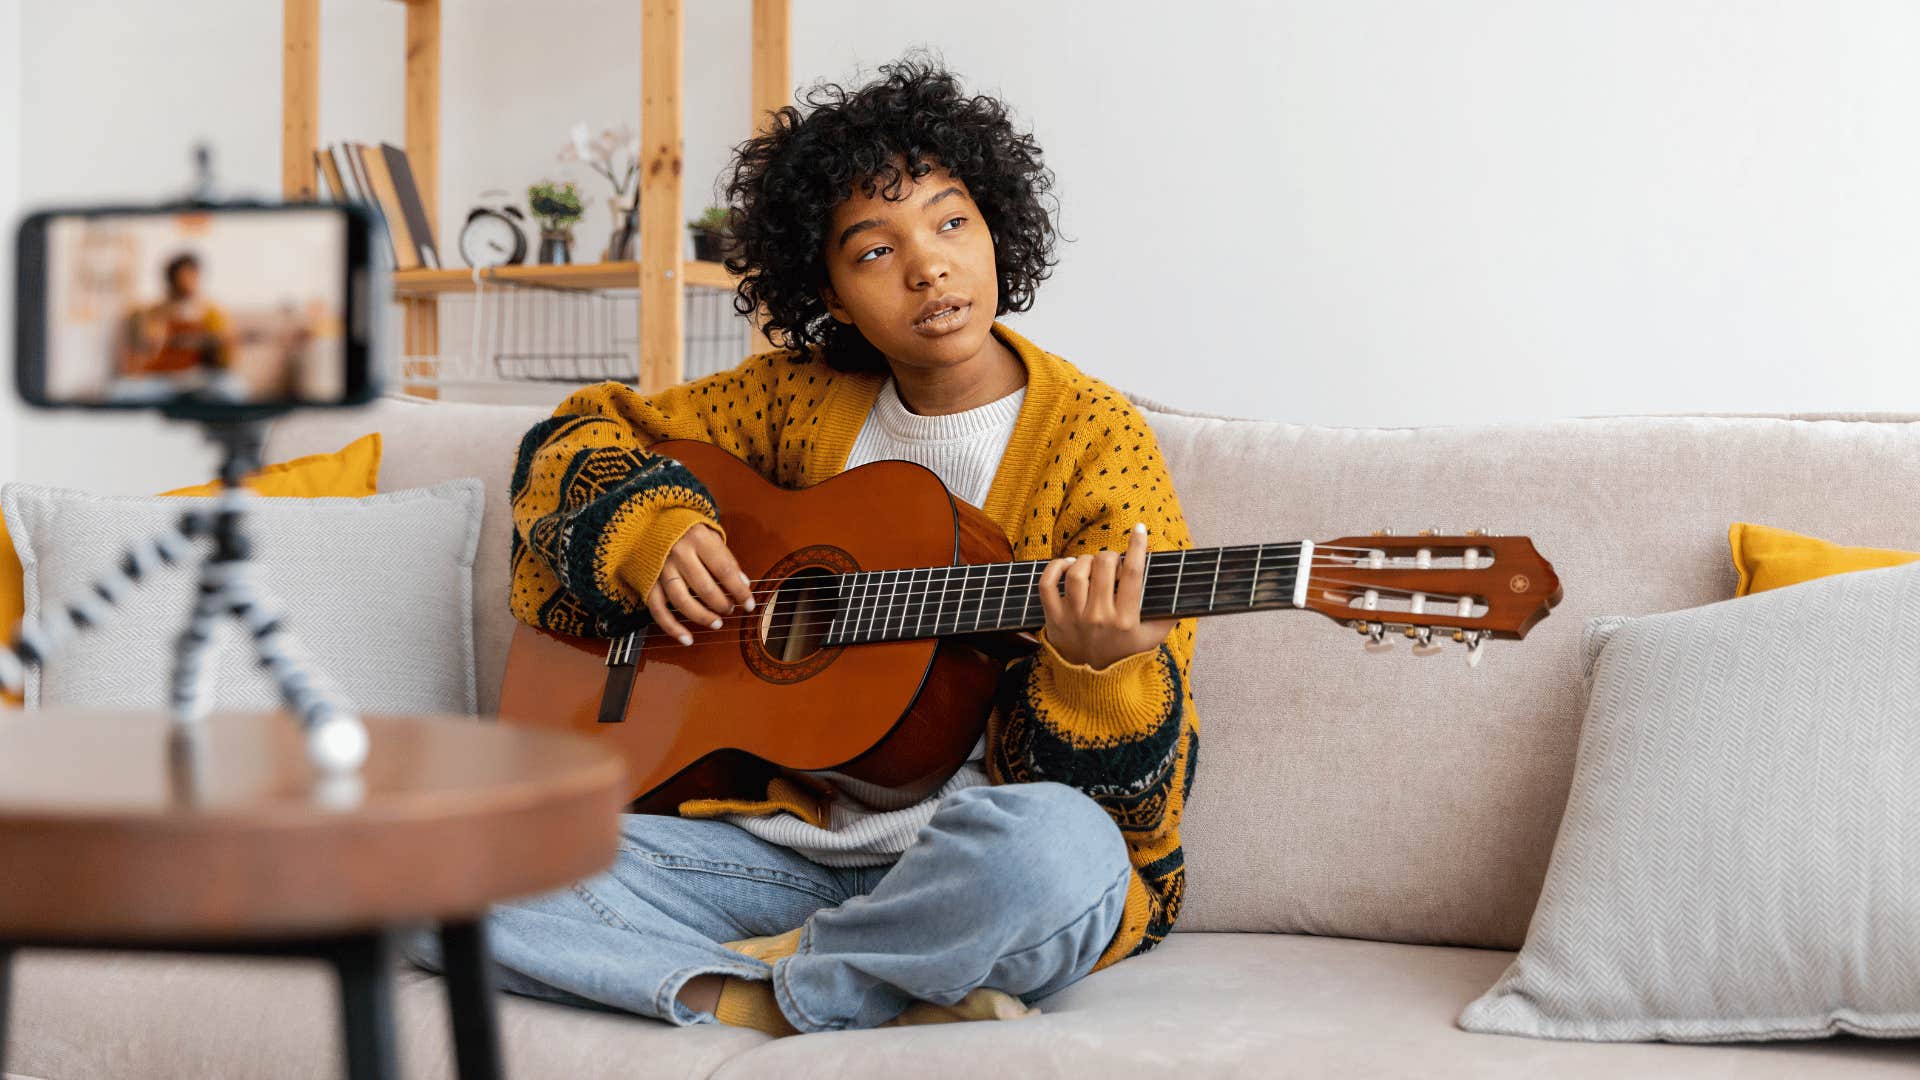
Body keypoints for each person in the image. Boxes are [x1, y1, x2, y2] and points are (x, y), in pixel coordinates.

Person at [407, 56, 1201, 1036]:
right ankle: (852, 989)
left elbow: (1128, 813)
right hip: (762, 859)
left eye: (953, 221)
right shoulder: (796, 395)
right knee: (420, 864)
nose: (928, 266)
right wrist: (649, 533)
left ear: (998, 224)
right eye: (873, 251)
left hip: (966, 865)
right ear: (823, 284)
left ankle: (772, 992)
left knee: (1060, 853)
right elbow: (577, 435)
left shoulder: (1097, 442)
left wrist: (1095, 670)